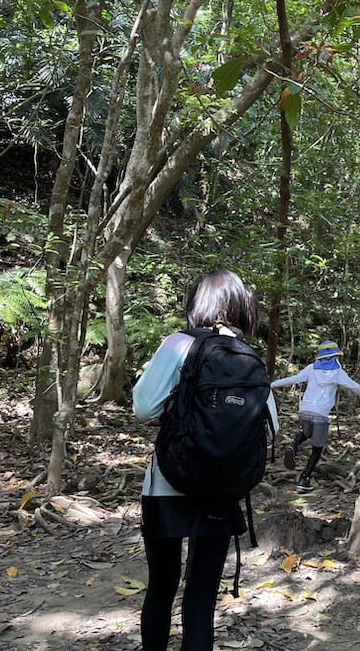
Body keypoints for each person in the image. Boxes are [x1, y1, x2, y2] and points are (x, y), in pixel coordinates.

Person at [132, 269, 279, 651]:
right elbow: (271, 426)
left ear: (197, 302)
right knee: (201, 600)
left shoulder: (178, 343)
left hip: (168, 482)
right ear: (242, 305)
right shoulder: (248, 356)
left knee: (161, 588)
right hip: (224, 489)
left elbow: (143, 407)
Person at [272, 340, 360, 492]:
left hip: (304, 411)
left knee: (306, 433)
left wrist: (271, 384)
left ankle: (294, 444)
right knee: (317, 449)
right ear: (335, 356)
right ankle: (304, 479)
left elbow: (293, 379)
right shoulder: (338, 373)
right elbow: (355, 387)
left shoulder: (311, 368)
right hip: (321, 415)